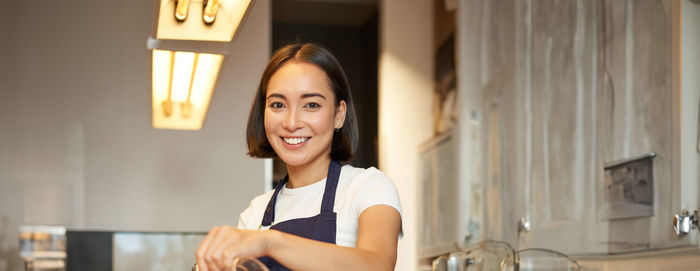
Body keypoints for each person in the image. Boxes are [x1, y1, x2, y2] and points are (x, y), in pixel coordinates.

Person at [195, 42, 402, 271]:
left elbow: (377, 264)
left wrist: (271, 242)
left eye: (311, 105)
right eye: (278, 105)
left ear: (339, 115)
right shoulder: (255, 213)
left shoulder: (367, 187)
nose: (291, 123)